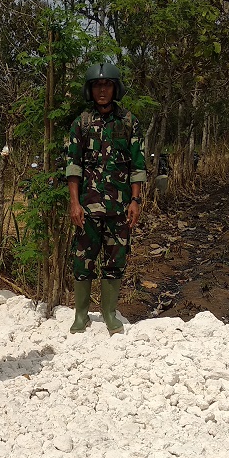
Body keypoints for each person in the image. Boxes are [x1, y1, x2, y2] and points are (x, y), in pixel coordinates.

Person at [66, 62, 148, 335]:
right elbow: (74, 167)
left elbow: (137, 166)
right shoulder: (81, 123)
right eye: (97, 85)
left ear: (115, 88)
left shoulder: (129, 122)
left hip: (120, 207)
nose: (102, 90)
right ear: (90, 90)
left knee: (115, 260)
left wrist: (135, 201)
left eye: (107, 85)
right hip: (87, 208)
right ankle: (81, 315)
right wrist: (74, 203)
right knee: (83, 261)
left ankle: (110, 313)